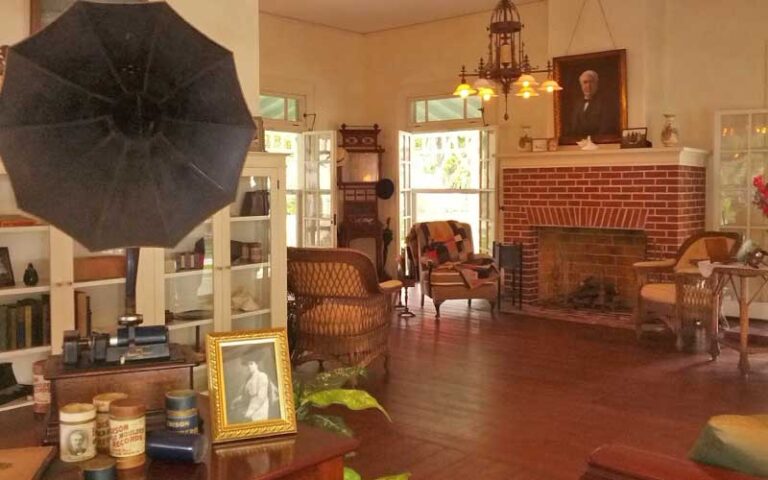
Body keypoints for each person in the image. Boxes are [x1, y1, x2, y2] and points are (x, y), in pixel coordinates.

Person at [568, 70, 619, 138]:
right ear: (581, 85)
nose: (588, 86)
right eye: (585, 82)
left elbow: (605, 128)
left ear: (596, 84)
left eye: (591, 82)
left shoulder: (605, 103)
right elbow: (573, 127)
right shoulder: (577, 104)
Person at [232, 358, 277, 422]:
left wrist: (249, 412)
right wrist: (235, 401)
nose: (249, 366)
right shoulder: (248, 380)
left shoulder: (262, 376)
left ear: (257, 365)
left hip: (260, 408)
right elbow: (245, 396)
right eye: (247, 364)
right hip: (250, 407)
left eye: (251, 363)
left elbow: (261, 397)